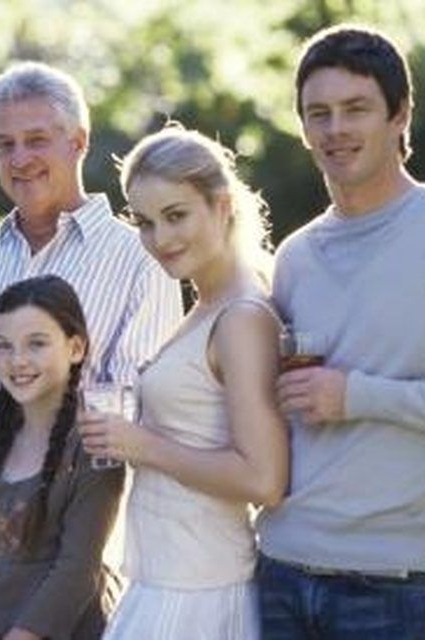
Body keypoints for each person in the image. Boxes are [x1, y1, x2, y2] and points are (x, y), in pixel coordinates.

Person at [0, 61, 182, 585]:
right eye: (4, 145)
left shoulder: (139, 260)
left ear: (79, 141)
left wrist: (12, 419)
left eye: (36, 139)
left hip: (64, 570)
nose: (20, 159)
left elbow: (137, 408)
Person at [79, 125, 288, 639]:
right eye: (146, 223)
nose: (161, 240)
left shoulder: (241, 317)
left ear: (221, 206)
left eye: (176, 216)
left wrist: (142, 444)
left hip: (198, 592)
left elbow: (264, 479)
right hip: (163, 577)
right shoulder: (206, 305)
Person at [256, 25, 425, 639]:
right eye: (317, 114)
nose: (335, 130)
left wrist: (356, 396)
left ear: (401, 114)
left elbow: (342, 392)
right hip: (277, 573)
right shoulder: (296, 256)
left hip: (397, 586)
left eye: (356, 109)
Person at [0, 275, 124, 640]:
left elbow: (77, 571)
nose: (18, 361)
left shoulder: (95, 443)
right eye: (4, 346)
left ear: (75, 348)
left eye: (37, 344)